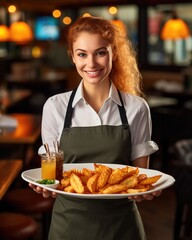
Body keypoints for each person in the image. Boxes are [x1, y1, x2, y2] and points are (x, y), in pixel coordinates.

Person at [29, 16, 160, 240]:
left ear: (114, 53)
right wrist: (46, 184)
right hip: (68, 224)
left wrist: (144, 193)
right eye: (82, 54)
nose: (91, 64)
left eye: (100, 52)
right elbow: (52, 173)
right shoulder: (55, 107)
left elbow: (140, 177)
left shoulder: (137, 108)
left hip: (121, 226)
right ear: (72, 56)